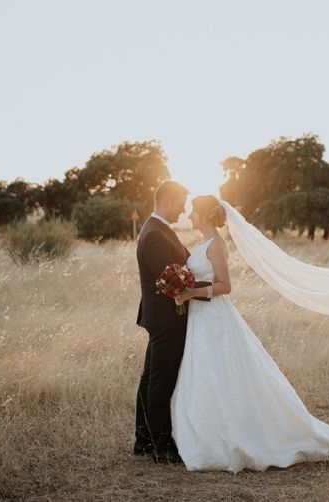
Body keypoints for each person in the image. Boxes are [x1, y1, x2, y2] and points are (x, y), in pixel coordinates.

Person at [169, 195, 329, 472]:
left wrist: (191, 292)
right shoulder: (202, 244)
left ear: (204, 215)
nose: (189, 216)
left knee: (221, 372)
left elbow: (225, 286)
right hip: (200, 318)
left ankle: (233, 437)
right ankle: (207, 433)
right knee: (206, 373)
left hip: (215, 317)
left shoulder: (217, 245)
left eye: (193, 212)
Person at [134, 180, 190, 464]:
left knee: (150, 379)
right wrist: (206, 289)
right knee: (160, 381)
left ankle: (143, 439)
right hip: (167, 317)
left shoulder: (159, 229)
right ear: (167, 201)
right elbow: (170, 280)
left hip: (163, 316)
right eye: (181, 202)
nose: (183, 209)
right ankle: (161, 444)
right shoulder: (154, 234)